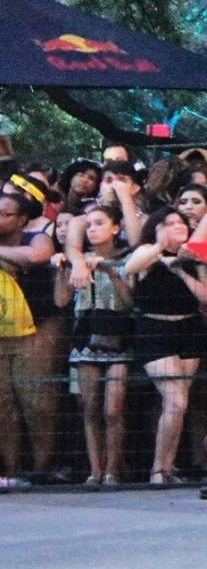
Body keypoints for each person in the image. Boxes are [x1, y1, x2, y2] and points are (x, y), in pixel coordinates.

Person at [126, 206, 207, 485]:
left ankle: (167, 466)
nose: (178, 226)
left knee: (178, 403)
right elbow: (130, 266)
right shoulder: (148, 253)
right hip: (155, 329)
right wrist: (162, 246)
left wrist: (183, 269)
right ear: (156, 227)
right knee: (175, 399)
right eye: (169, 223)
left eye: (181, 222)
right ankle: (158, 470)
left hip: (188, 329)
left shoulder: (192, 256)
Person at [60, 204, 132, 486]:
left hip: (117, 336)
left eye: (99, 223)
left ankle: (114, 468)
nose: (92, 229)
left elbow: (130, 303)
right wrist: (62, 271)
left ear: (115, 228)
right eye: (89, 225)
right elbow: (62, 300)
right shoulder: (77, 259)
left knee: (113, 408)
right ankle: (95, 470)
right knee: (89, 407)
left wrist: (111, 272)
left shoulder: (127, 257)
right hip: (85, 336)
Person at [0, 179, 59, 486]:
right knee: (3, 403)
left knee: (36, 400)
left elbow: (35, 257)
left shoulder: (37, 237)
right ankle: (10, 471)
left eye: (5, 215)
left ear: (21, 219)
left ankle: (41, 467)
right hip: (1, 333)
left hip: (37, 331)